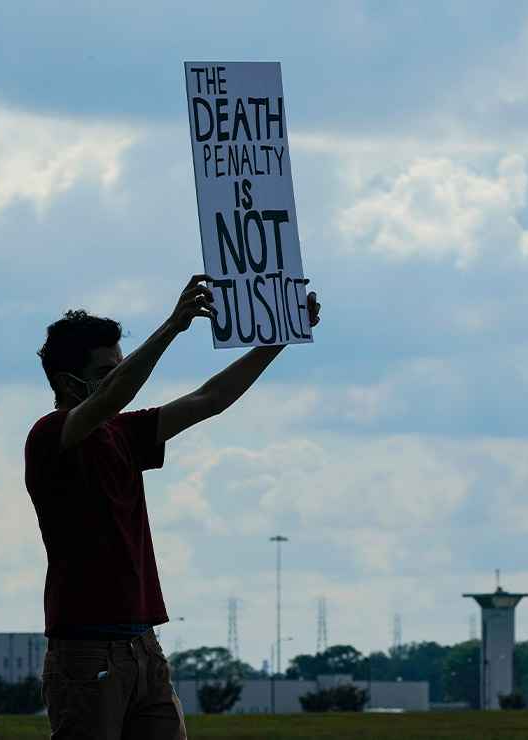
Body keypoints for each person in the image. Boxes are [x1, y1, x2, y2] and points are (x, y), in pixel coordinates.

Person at [25, 274, 320, 738]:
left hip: (143, 644)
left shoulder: (122, 432)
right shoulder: (50, 435)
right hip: (85, 651)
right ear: (67, 381)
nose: (120, 377)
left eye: (119, 366)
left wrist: (279, 339)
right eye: (107, 371)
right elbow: (118, 394)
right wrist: (172, 327)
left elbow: (210, 399)